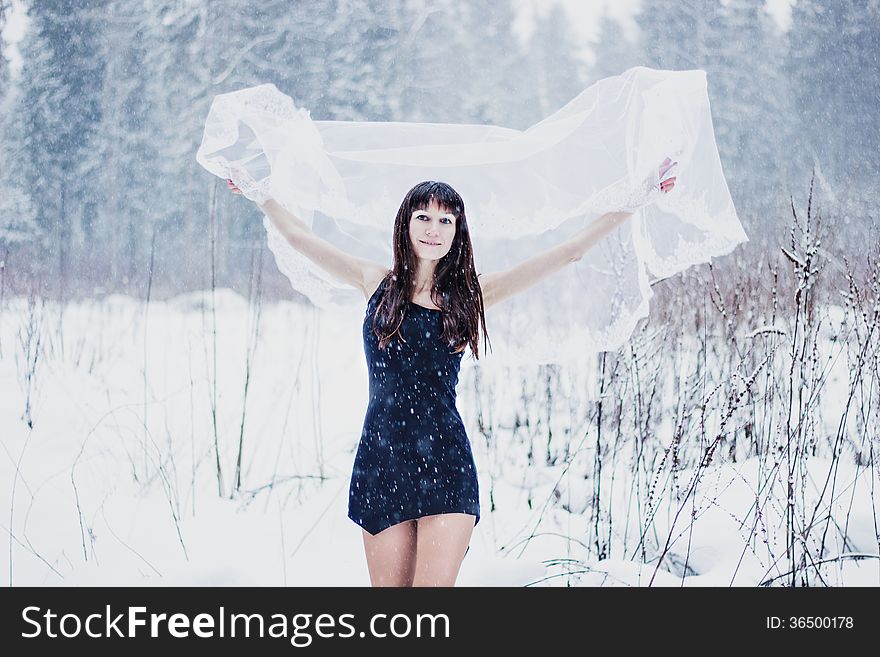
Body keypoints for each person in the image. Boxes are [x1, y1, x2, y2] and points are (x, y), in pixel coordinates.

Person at [227, 163, 676, 586]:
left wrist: (640, 195)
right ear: (406, 224)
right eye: (423, 217)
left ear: (458, 231)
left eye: (446, 221)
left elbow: (570, 252)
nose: (433, 229)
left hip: (444, 458)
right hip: (382, 456)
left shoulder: (473, 294)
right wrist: (261, 194)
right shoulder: (374, 282)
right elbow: (300, 238)